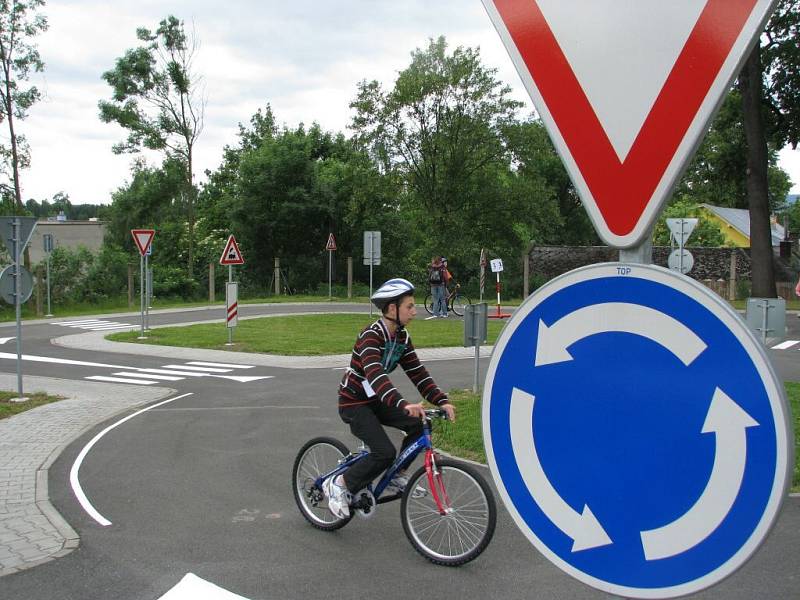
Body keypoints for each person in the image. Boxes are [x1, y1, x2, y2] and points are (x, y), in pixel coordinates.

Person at [324, 278, 456, 518]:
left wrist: (441, 400)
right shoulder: (370, 336)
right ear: (392, 309)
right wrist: (403, 404)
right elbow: (375, 376)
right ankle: (339, 484)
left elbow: (418, 373)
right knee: (384, 452)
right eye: (410, 306)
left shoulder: (401, 338)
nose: (415, 312)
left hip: (377, 401)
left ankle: (397, 475)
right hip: (354, 401)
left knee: (418, 424)